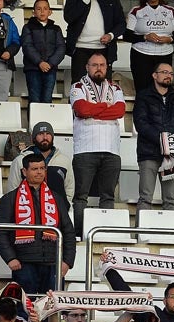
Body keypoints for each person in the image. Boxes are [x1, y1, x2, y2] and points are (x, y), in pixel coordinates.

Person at [0, 153, 76, 294]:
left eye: (42, 168)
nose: (39, 172)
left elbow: (68, 231)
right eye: (34, 169)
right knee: (25, 308)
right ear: (24, 171)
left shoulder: (57, 198)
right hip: (24, 264)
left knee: (52, 309)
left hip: (53, 263)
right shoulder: (10, 198)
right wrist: (10, 258)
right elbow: (0, 232)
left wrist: (67, 261)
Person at [69, 52, 125, 234]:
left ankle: (106, 234)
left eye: (102, 64)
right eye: (94, 65)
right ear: (87, 67)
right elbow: (81, 109)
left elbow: (120, 111)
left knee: (108, 196)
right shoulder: (77, 86)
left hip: (111, 149)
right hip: (86, 148)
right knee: (81, 196)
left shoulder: (115, 88)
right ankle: (78, 235)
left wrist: (94, 111)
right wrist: (104, 107)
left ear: (107, 67)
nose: (98, 68)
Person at [133, 61, 174, 213]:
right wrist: (162, 140)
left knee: (170, 201)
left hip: (172, 155)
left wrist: (172, 141)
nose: (168, 76)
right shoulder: (143, 96)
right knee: (145, 198)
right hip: (149, 153)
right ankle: (141, 235)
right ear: (154, 75)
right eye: (164, 72)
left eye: (171, 74)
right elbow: (141, 124)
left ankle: (171, 236)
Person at [6, 122, 74, 201]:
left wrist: (65, 206)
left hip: (56, 211)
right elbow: (12, 189)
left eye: (48, 134)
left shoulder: (64, 161)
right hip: (29, 210)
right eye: (41, 134)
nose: (45, 137)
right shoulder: (20, 161)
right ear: (34, 138)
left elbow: (69, 189)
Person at [126, 0, 174, 94]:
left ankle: (162, 108)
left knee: (163, 88)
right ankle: (142, 108)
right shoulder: (136, 10)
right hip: (141, 54)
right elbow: (127, 36)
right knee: (142, 89)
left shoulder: (171, 10)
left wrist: (169, 39)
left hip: (164, 54)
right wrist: (145, 37)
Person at [63, 0, 125, 81]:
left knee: (103, 84)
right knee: (79, 84)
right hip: (80, 48)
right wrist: (84, 2)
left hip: (104, 49)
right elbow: (68, 17)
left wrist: (111, 35)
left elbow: (121, 23)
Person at [21, 0, 64, 104]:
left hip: (50, 69)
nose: (42, 11)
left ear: (50, 12)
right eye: (38, 9)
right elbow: (27, 46)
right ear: (33, 12)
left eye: (45, 8)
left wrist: (50, 63)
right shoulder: (28, 28)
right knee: (34, 99)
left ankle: (45, 120)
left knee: (47, 99)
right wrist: (40, 62)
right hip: (33, 69)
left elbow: (61, 47)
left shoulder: (56, 29)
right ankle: (33, 120)